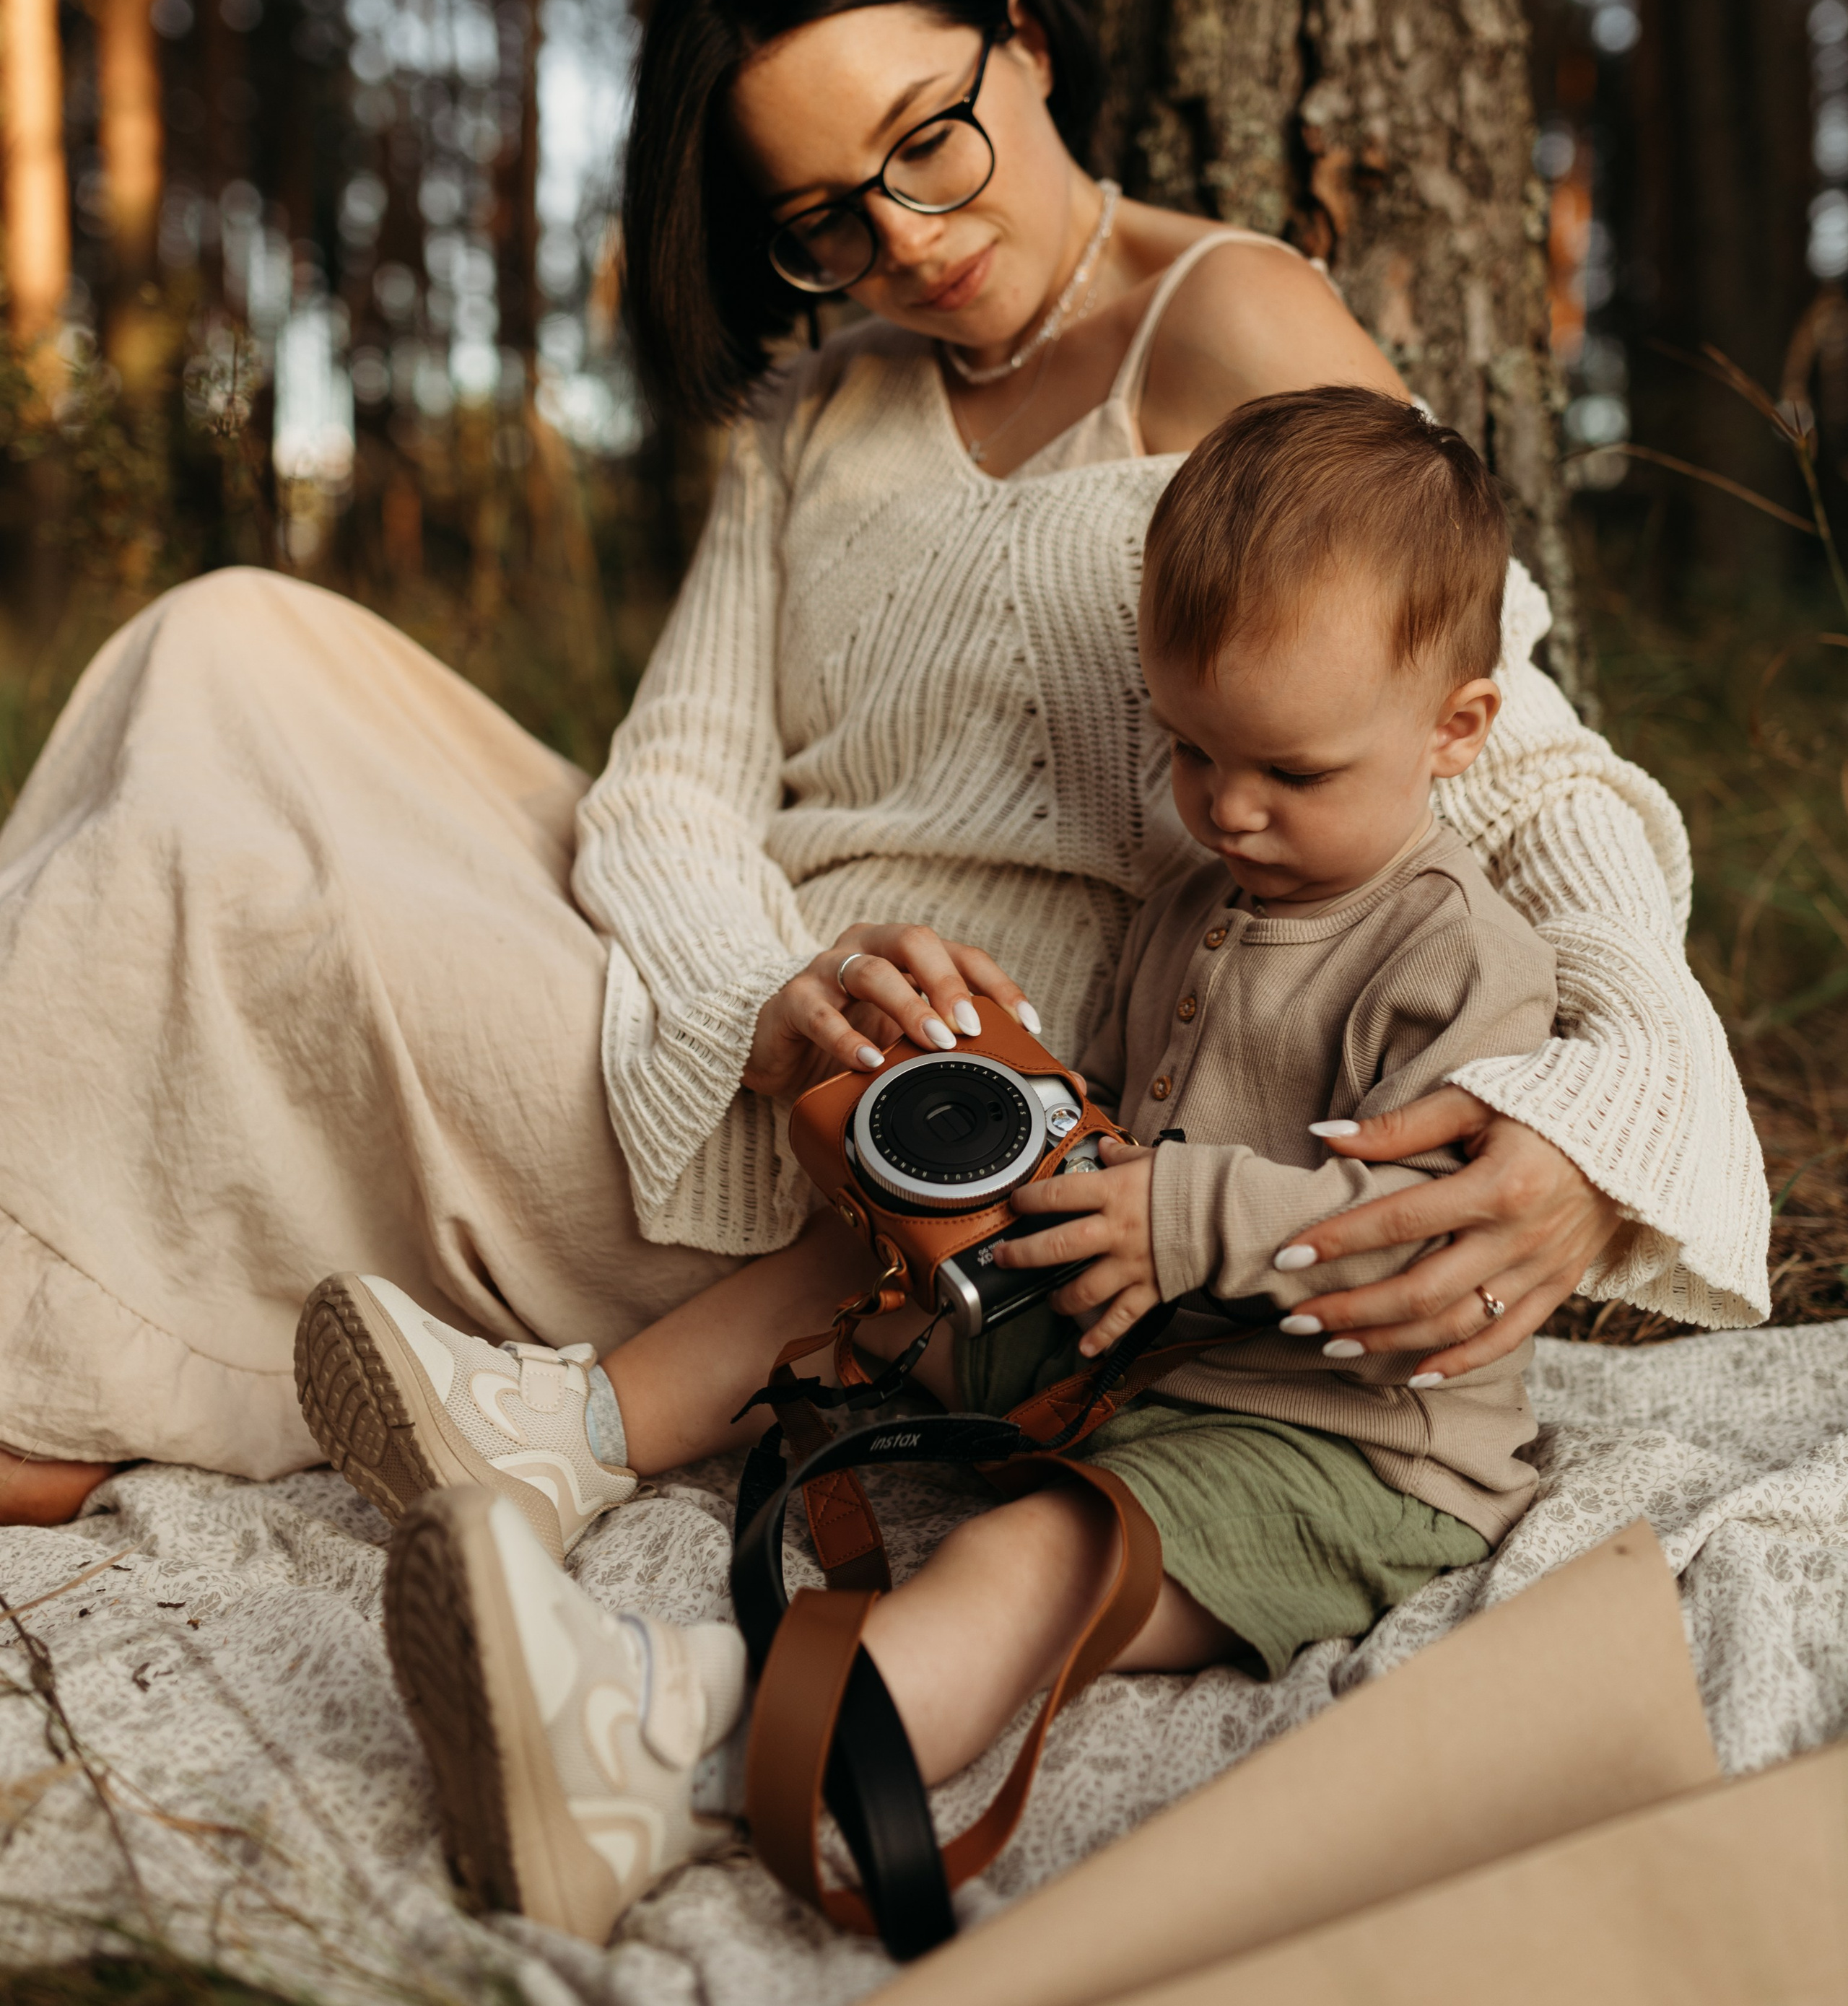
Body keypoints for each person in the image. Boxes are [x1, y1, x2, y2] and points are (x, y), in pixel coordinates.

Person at [0, 0, 1766, 1537]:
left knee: (219, 851)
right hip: (747, 1043)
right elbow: (673, 786)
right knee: (219, 642)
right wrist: (752, 1001)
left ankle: (89, 1378)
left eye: (927, 141)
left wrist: (1612, 1110)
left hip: (953, 1147)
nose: (906, 242)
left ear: (1021, 34)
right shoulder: (816, 405)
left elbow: (1504, 757)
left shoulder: (1234, 319)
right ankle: (94, 1337)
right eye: (824, 219)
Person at [300, 385, 1585, 1942]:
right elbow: (1126, 1112)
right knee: (873, 1255)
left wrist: (1177, 1215)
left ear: (1457, 727)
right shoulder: (1198, 898)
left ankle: (668, 1755)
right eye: (1188, 749)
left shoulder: (1461, 956)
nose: (1229, 808)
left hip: (1345, 1442)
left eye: (1291, 772)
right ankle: (553, 1436)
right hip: (1150, 1340)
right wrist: (997, 1099)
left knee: (1031, 1555)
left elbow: (1430, 1234)